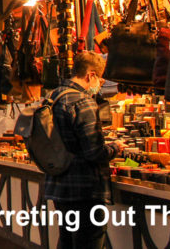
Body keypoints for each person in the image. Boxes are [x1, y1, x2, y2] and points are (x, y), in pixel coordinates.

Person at [45, 51, 124, 249]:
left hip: (59, 185)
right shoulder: (83, 102)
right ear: (91, 75)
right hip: (84, 190)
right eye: (100, 78)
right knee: (88, 242)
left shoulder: (54, 96)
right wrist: (116, 148)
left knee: (67, 242)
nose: (99, 84)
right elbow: (94, 152)